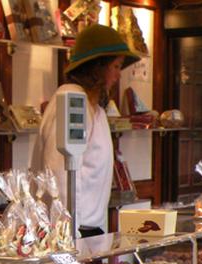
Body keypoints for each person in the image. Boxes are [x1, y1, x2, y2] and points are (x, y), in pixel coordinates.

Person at [32, 24, 139, 237]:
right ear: (96, 67)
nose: (118, 75)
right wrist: (68, 232)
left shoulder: (93, 107)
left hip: (87, 224)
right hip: (73, 228)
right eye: (116, 67)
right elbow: (60, 171)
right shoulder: (72, 101)